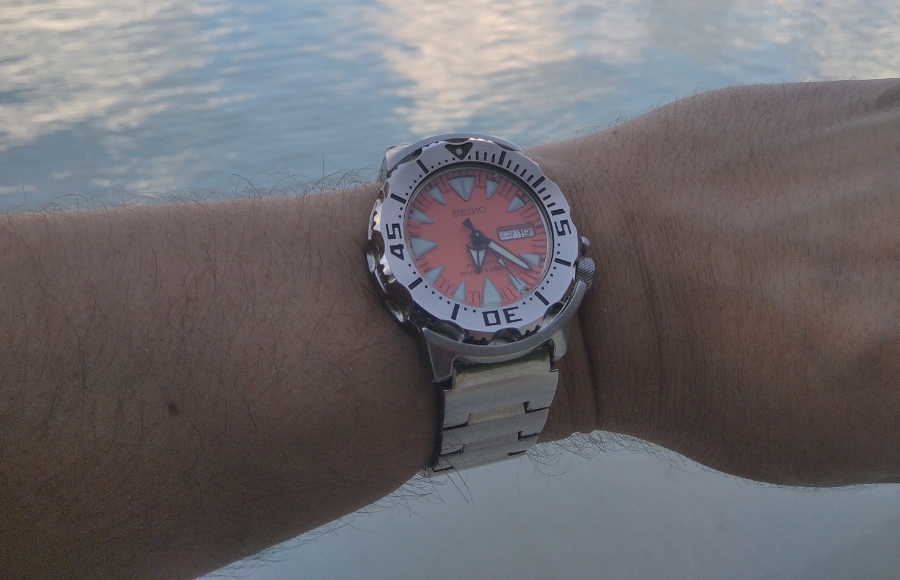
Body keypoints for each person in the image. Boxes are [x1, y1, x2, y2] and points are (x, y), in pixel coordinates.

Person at [0, 80, 897, 580]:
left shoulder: (528, 238)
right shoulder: (406, 240)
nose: (480, 236)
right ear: (390, 253)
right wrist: (644, 296)